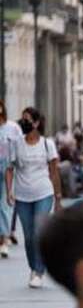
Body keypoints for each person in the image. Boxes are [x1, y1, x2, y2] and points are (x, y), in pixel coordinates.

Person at [4, 107, 62, 288]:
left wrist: (58, 198)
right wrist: (9, 191)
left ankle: (39, 270)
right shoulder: (16, 143)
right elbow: (10, 169)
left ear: (36, 123)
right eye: (22, 119)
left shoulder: (47, 144)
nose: (24, 122)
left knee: (38, 232)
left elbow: (54, 172)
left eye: (27, 119)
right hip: (22, 196)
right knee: (28, 236)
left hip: (44, 193)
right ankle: (33, 267)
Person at [0, 100, 22, 259]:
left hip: (8, 168)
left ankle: (5, 239)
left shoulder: (13, 127)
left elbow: (20, 146)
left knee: (5, 204)